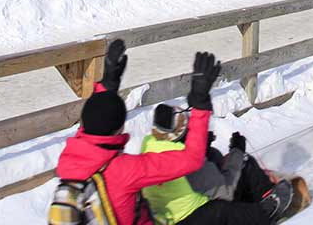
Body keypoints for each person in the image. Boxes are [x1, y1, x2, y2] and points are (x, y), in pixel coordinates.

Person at [52, 42, 221, 225]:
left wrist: (107, 84)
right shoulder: (125, 171)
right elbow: (192, 158)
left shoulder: (72, 160)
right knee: (227, 213)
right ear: (119, 129)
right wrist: (200, 102)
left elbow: (94, 124)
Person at [140, 107, 297, 223]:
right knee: (243, 163)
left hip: (167, 214)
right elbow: (225, 191)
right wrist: (237, 151)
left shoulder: (150, 144)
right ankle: (267, 208)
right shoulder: (186, 159)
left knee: (214, 155)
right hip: (193, 216)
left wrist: (203, 146)